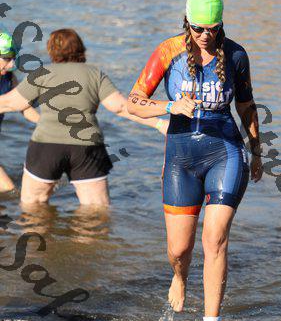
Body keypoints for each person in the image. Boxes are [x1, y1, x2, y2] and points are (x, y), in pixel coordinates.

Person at [128, 0, 263, 321]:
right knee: (179, 249)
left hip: (226, 153)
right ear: (186, 22)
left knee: (215, 239)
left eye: (212, 29)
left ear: (221, 25)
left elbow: (246, 107)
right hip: (181, 158)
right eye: (198, 28)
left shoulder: (236, 55)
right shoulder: (167, 51)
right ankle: (180, 276)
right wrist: (169, 107)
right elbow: (133, 102)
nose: (205, 35)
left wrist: (257, 151)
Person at [0, 28, 168, 206]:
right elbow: (120, 107)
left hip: (46, 146)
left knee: (32, 205)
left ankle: (44, 225)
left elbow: (12, 103)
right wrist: (159, 123)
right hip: (87, 147)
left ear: (51, 50)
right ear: (81, 49)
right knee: (96, 209)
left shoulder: (42, 74)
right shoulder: (95, 74)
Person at [0, 31, 39, 192]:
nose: (11, 65)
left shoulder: (9, 78)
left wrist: (46, 124)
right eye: (6, 59)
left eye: (13, 59)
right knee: (9, 190)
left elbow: (23, 106)